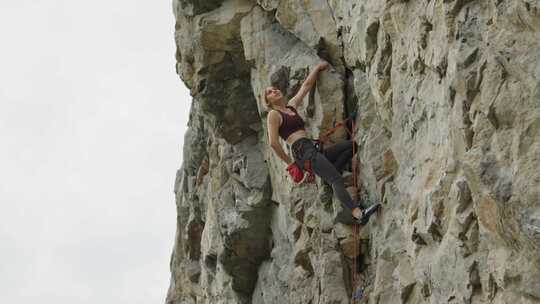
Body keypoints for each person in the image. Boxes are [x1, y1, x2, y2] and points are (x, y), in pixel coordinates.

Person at [264, 60, 380, 225]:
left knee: (352, 145)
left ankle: (331, 175)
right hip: (303, 153)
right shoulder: (273, 115)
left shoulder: (290, 107)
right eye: (269, 92)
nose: (274, 90)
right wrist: (291, 164)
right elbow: (273, 142)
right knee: (337, 181)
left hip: (313, 149)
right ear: (268, 102)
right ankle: (359, 214)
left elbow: (305, 87)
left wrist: (317, 68)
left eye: (274, 88)